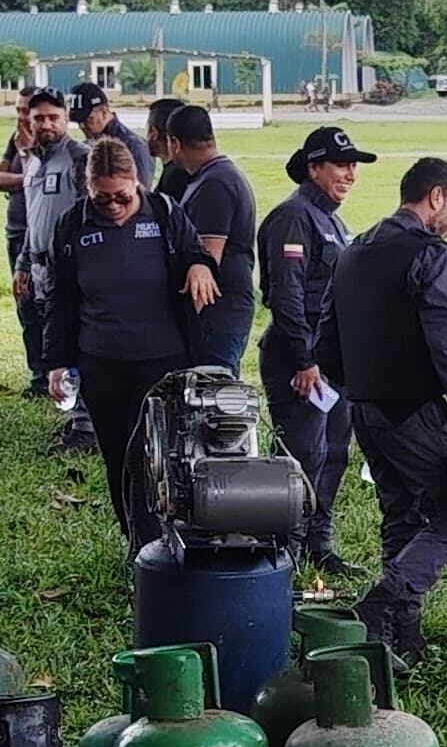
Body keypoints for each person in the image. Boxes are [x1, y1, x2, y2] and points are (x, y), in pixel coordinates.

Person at [325, 154, 447, 666]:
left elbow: (324, 339)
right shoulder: (430, 254)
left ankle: (402, 640)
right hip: (411, 410)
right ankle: (381, 605)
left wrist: (361, 383)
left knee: (401, 515)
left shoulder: (354, 250)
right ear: (436, 197)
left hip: (364, 408)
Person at [40, 131, 200, 544]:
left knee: (154, 456)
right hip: (101, 359)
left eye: (121, 197)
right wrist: (56, 361)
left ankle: (166, 538)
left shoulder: (164, 213)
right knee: (117, 456)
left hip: (161, 359)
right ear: (88, 190)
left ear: (138, 186)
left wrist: (200, 267)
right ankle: (137, 542)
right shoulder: (72, 225)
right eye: (102, 198)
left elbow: (195, 254)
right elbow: (62, 297)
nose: (112, 206)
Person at [256, 123, 370, 588]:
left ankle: (317, 545)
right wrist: (304, 361)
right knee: (299, 457)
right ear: (313, 167)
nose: (350, 174)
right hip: (297, 361)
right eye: (341, 165)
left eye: (353, 166)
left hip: (333, 361)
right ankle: (281, 548)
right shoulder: (293, 218)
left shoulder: (332, 220)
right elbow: (286, 296)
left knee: (334, 453)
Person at [152, 100, 257, 372]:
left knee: (211, 393)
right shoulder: (213, 176)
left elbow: (208, 262)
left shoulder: (214, 184)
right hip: (224, 309)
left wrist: (182, 323)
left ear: (174, 143)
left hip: (218, 311)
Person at [0, 87, 84, 399]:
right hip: (37, 266)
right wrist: (22, 265)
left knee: (72, 338)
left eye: (53, 117)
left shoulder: (79, 158)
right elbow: (34, 219)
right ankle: (54, 393)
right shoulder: (31, 162)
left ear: (67, 118)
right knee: (47, 335)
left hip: (70, 268)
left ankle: (82, 417)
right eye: (39, 118)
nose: (46, 124)